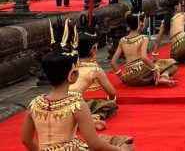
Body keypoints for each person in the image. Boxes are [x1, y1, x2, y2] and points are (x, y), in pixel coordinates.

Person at [21, 18, 133, 151]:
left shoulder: (34, 104)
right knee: (119, 142)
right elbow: (95, 145)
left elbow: (26, 140)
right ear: (72, 75)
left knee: (104, 139)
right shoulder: (77, 105)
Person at [110, 0, 178, 87]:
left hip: (130, 78)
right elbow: (144, 58)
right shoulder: (143, 38)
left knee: (154, 66)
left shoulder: (122, 40)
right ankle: (163, 76)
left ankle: (156, 77)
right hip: (142, 73)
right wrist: (155, 69)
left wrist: (122, 77)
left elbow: (113, 63)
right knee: (172, 63)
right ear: (141, 24)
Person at [69, 15, 118, 131]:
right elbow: (112, 92)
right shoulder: (96, 70)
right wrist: (111, 99)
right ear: (93, 49)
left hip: (58, 101)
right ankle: (92, 119)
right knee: (109, 106)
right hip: (75, 103)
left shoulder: (70, 64)